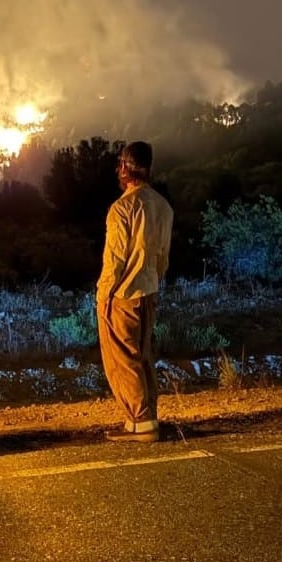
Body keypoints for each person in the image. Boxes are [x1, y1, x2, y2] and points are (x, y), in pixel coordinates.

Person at [96, 141, 173, 442]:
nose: (118, 170)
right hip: (149, 291)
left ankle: (141, 422)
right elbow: (163, 258)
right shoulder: (163, 207)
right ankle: (145, 417)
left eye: (120, 165)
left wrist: (103, 296)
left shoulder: (121, 209)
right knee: (143, 356)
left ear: (125, 168)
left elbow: (114, 261)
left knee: (123, 359)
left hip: (123, 295)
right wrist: (153, 281)